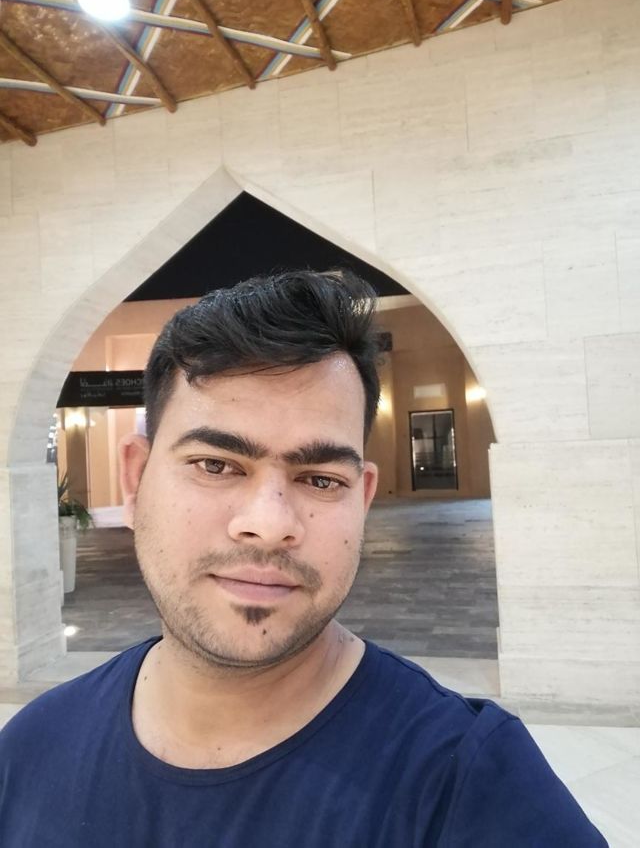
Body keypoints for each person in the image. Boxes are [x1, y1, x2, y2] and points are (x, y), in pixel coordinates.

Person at [0, 271, 606, 847]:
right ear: (135, 481)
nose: (269, 524)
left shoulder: (470, 788)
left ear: (362, 499)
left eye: (319, 480)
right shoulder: (30, 749)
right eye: (216, 465)